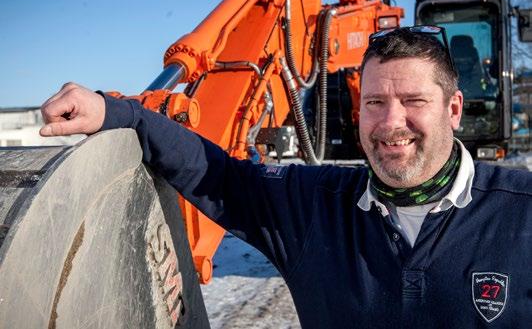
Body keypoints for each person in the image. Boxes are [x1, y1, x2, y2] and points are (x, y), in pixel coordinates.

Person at [40, 28, 531, 328]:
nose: (390, 122)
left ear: (454, 109)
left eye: (414, 102)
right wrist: (118, 111)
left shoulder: (521, 212)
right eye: (375, 103)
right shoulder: (313, 208)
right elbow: (219, 175)